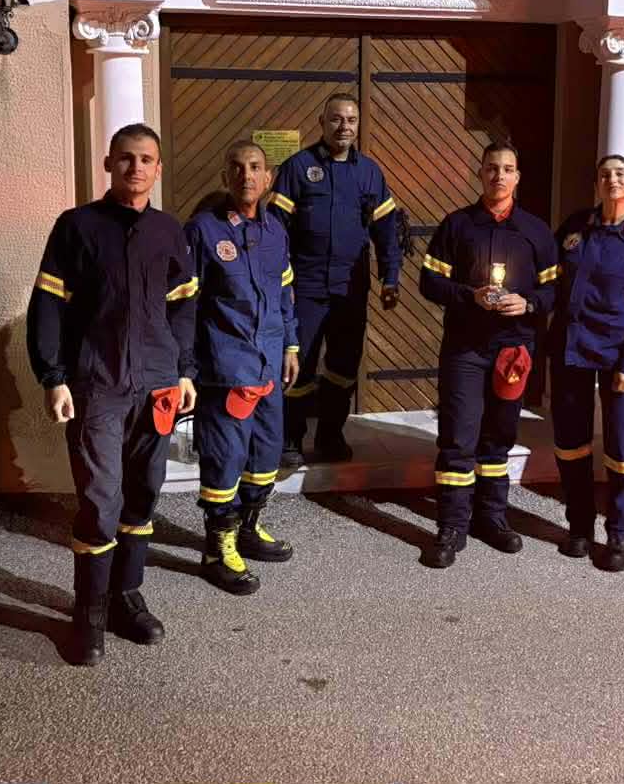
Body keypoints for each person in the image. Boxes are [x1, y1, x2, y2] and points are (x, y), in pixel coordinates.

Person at [26, 123, 198, 666]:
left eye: (146, 159)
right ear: (108, 164)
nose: (136, 167)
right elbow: (48, 304)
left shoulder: (168, 231)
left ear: (158, 169)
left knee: (143, 492)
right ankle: (89, 613)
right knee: (101, 501)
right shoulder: (77, 226)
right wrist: (53, 376)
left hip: (158, 384)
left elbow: (184, 305)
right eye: (126, 158)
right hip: (97, 384)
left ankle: (126, 596)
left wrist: (184, 370)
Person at [418, 141, 559, 569]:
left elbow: (555, 289)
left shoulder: (536, 231)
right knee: (458, 438)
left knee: (499, 436)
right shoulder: (457, 225)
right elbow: (429, 282)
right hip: (466, 348)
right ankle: (451, 525)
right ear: (480, 173)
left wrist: (529, 303)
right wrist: (469, 295)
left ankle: (491, 518)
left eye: (508, 169)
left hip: (512, 350)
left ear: (518, 177)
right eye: (492, 168)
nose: (499, 175)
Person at [184, 140, 300, 595]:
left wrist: (291, 345)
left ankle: (248, 528)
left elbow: (285, 295)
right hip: (225, 367)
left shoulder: (276, 232)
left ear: (268, 178)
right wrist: (185, 367)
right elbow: (185, 304)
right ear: (225, 177)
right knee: (225, 457)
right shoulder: (203, 230)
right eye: (236, 167)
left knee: (265, 454)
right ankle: (217, 549)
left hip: (269, 363)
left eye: (254, 167)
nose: (246, 175)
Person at [267, 94, 402, 464]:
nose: (344, 127)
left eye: (351, 120)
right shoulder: (298, 167)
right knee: (299, 366)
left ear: (358, 125)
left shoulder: (369, 173)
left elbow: (387, 230)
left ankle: (330, 436)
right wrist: (278, 285)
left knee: (343, 367)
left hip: (349, 290)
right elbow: (275, 231)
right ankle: (290, 440)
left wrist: (390, 277)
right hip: (305, 289)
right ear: (322, 122)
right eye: (337, 119)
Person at [549, 155, 624, 572]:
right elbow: (550, 280)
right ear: (597, 185)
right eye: (604, 175)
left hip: (619, 357)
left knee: (623, 450)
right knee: (571, 445)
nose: (611, 180)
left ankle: (619, 534)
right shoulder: (575, 228)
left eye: (620, 174)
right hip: (571, 351)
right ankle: (579, 527)